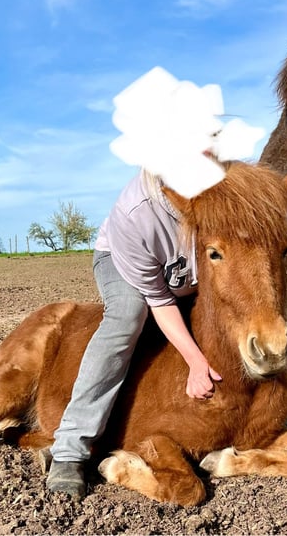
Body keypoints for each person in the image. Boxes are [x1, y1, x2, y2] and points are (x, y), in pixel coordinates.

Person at [45, 167, 222, 499]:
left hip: (186, 276)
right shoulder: (136, 212)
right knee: (128, 316)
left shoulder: (223, 188)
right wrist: (196, 361)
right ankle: (69, 449)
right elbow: (160, 299)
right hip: (126, 263)